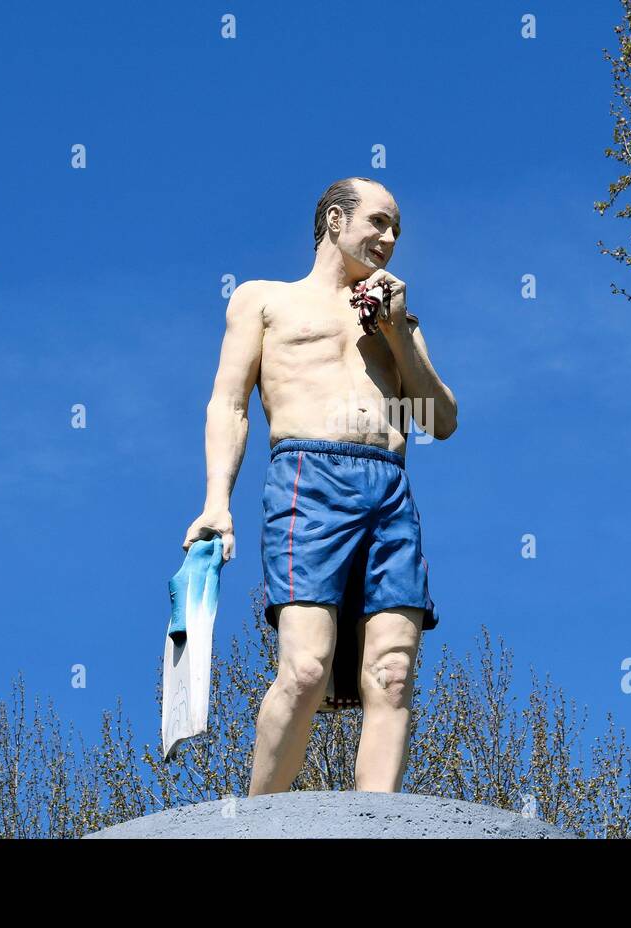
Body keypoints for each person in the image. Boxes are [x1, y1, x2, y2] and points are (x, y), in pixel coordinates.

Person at [183, 176, 458, 794]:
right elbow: (228, 405)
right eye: (379, 222)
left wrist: (394, 332)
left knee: (392, 671)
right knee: (305, 669)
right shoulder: (264, 300)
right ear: (336, 220)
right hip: (309, 478)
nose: (389, 239)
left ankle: (374, 825)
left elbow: (439, 420)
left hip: (389, 487)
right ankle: (256, 826)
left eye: (396, 231)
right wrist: (215, 504)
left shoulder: (398, 319)